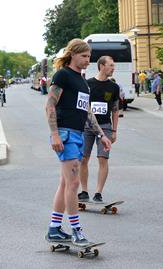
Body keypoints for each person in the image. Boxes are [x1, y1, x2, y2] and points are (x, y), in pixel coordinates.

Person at [45, 38, 111, 247]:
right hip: (65, 133)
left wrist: (102, 134)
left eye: (89, 57)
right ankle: (76, 231)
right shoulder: (63, 75)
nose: (87, 60)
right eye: (83, 56)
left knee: (66, 183)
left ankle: (54, 229)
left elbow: (87, 111)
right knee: (73, 183)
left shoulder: (82, 81)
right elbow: (50, 105)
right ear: (72, 54)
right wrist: (54, 134)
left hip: (79, 134)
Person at [78, 56, 120, 203]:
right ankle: (84, 191)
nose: (113, 68)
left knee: (103, 159)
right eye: (111, 65)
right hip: (87, 126)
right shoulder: (87, 84)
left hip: (105, 126)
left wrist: (114, 131)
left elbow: (115, 110)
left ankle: (98, 193)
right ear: (102, 66)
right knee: (83, 158)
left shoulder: (114, 87)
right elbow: (82, 106)